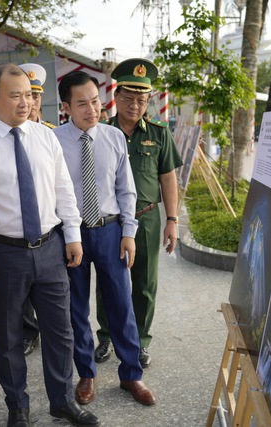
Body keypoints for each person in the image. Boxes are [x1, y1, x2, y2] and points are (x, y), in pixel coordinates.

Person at [0, 63, 99, 427]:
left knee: (61, 329)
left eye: (28, 95)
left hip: (50, 247)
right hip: (3, 252)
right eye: (14, 95)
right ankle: (17, 407)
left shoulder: (44, 136)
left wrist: (72, 235)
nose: (25, 103)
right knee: (8, 338)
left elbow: (63, 190)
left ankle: (62, 400)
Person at [54, 71, 156, 406]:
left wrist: (129, 233)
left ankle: (131, 375)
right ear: (66, 106)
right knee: (77, 307)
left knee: (121, 304)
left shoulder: (113, 137)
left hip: (111, 231)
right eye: (81, 103)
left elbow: (126, 190)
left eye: (95, 101)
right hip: (72, 235)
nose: (91, 109)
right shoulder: (54, 141)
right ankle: (86, 374)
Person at [95, 58, 182, 368]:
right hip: (110, 221)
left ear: (149, 100)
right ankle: (106, 336)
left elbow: (168, 178)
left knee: (144, 284)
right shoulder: (101, 133)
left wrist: (172, 220)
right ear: (116, 97)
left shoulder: (159, 134)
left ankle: (140, 340)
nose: (135, 105)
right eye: (129, 98)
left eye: (141, 99)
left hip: (145, 218)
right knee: (108, 282)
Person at [16, 62, 54, 356]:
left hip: (50, 227)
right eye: (25, 95)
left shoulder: (53, 134)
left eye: (36, 96)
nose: (30, 103)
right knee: (24, 290)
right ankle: (29, 331)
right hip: (18, 228)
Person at [19, 62, 56, 129]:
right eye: (27, 96)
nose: (32, 103)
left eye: (35, 97)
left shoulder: (51, 131)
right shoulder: (11, 131)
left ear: (41, 98)